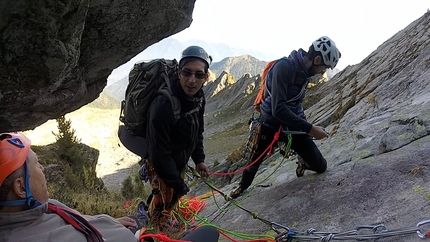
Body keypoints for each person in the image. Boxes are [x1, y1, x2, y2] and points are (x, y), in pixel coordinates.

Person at [0, 132, 219, 242]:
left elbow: (75, 222)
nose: (44, 169)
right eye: (37, 165)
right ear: (21, 187)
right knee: (210, 233)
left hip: (121, 231)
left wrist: (108, 221)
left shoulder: (41, 208)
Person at [230, 36, 341, 199]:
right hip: (269, 123)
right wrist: (310, 129)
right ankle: (242, 187)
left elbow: (295, 102)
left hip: (291, 125)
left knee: (321, 166)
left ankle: (304, 161)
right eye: (324, 67)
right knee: (254, 162)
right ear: (317, 59)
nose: (323, 72)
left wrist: (304, 122)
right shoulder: (284, 67)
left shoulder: (305, 74)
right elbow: (278, 109)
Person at [144, 45, 211, 228]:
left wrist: (199, 159)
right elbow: (158, 154)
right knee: (163, 202)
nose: (192, 81)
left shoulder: (199, 97)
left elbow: (197, 130)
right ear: (178, 72)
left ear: (206, 77)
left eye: (199, 75)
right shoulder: (164, 104)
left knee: (169, 198)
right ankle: (153, 230)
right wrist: (179, 184)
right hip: (161, 164)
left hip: (176, 162)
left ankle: (157, 221)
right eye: (187, 73)